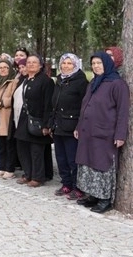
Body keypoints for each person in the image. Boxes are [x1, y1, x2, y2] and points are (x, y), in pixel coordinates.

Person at [74, 51, 129, 213]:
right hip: (88, 131)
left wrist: (120, 135)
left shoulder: (117, 84)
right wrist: (78, 127)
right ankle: (92, 195)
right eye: (93, 64)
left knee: (102, 166)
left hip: (105, 133)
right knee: (88, 164)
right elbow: (85, 106)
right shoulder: (94, 82)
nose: (96, 66)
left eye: (99, 63)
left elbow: (123, 111)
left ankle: (105, 199)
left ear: (107, 64)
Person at [50, 53, 88, 199]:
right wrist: (51, 123)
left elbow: (84, 106)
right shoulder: (60, 80)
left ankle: (78, 187)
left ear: (75, 65)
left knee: (73, 159)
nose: (66, 66)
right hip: (58, 125)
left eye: (69, 63)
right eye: (64, 63)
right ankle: (66, 184)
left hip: (72, 126)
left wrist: (79, 125)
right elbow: (54, 104)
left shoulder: (81, 81)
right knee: (61, 158)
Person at [15, 54, 54, 188]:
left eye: (34, 62)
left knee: (36, 150)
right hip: (25, 119)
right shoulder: (26, 80)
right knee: (22, 147)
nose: (31, 64)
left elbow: (48, 104)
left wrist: (46, 124)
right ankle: (28, 173)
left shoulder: (46, 81)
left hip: (38, 120)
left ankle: (38, 177)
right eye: (29, 62)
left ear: (40, 65)